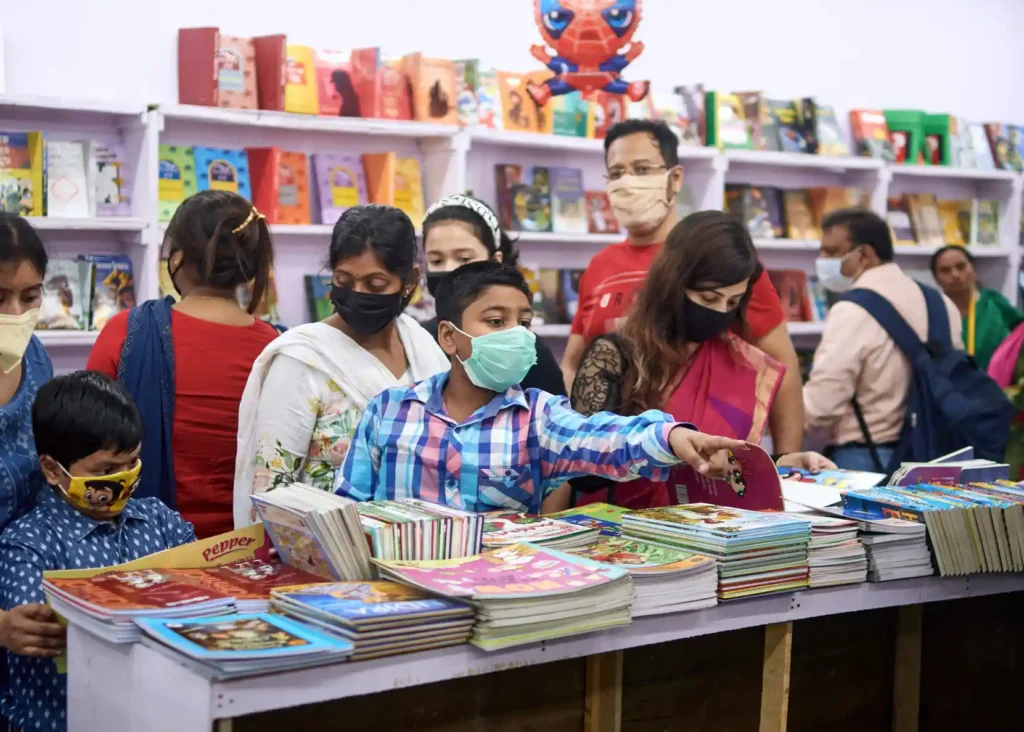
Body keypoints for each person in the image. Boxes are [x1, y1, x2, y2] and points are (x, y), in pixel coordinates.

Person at [334, 261, 748, 515]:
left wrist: (672, 436)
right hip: (398, 604)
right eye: (496, 322)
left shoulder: (538, 418)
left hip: (500, 597)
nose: (515, 335)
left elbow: (603, 437)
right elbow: (347, 511)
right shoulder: (389, 410)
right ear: (449, 336)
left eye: (524, 322)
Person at [560, 119, 805, 455]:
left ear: (674, 178)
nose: (628, 182)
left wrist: (787, 464)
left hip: (703, 466)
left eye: (642, 169)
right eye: (616, 173)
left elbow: (781, 368)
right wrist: (580, 436)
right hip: (610, 464)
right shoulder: (599, 268)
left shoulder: (720, 261)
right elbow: (573, 362)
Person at [570, 211, 834, 507]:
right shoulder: (614, 355)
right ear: (673, 284)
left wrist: (783, 465)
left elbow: (728, 467)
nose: (720, 311)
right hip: (629, 532)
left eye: (733, 302)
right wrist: (667, 443)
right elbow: (584, 471)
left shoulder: (741, 363)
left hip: (720, 533)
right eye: (709, 299)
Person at [0, 371, 196, 732]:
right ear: (52, 470)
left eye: (131, 463)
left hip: (161, 712)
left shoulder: (160, 520)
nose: (122, 479)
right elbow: (35, 637)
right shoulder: (28, 544)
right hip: (62, 718)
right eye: (106, 470)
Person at [234, 205, 449, 527]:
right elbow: (271, 488)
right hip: (325, 553)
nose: (358, 294)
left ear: (410, 282)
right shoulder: (302, 359)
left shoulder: (422, 346)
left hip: (421, 543)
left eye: (376, 285)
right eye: (344, 280)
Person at [87, 191, 279, 539]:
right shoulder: (275, 348)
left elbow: (83, 442)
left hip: (142, 549)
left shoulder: (128, 332)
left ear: (178, 257)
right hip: (249, 551)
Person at [804, 209, 963, 471]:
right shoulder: (941, 303)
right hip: (936, 452)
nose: (822, 261)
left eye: (832, 252)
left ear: (864, 254)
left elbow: (822, 406)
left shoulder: (852, 310)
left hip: (868, 458)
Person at [420, 193, 565, 396]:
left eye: (464, 258)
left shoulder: (524, 349)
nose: (450, 269)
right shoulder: (416, 340)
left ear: (495, 260)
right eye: (436, 261)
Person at [930, 245, 1024, 371]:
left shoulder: (994, 302)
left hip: (998, 386)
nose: (955, 274)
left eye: (961, 266)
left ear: (973, 269)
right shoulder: (932, 312)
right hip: (951, 387)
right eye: (945, 270)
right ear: (936, 278)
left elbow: (1020, 332)